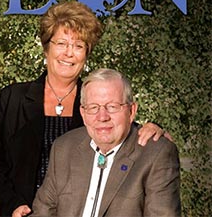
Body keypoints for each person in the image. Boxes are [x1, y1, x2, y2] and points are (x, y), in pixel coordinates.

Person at [0, 1, 169, 217]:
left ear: (86, 54)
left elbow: (116, 129)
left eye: (78, 46)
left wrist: (153, 130)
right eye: (61, 43)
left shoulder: (94, 102)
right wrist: (13, 205)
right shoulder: (13, 98)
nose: (69, 53)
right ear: (46, 48)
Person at [32, 68, 181, 217]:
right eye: (93, 107)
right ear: (83, 114)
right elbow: (43, 211)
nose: (102, 117)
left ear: (131, 111)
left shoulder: (156, 154)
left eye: (112, 106)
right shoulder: (64, 147)